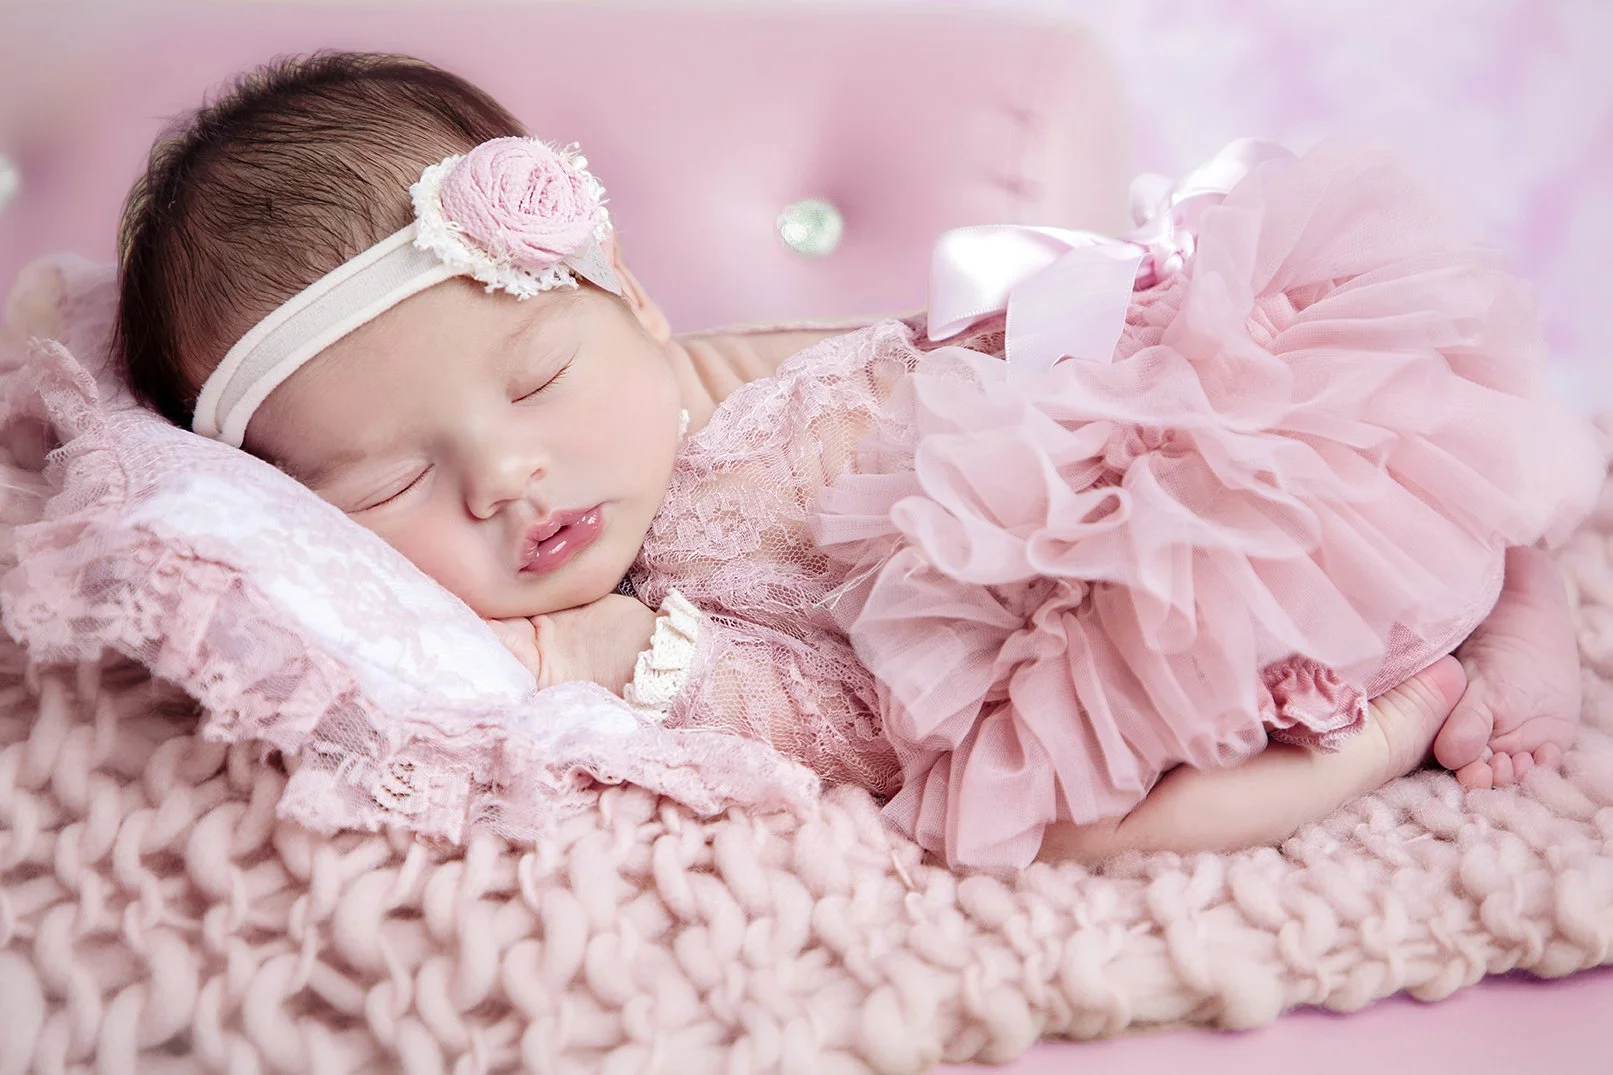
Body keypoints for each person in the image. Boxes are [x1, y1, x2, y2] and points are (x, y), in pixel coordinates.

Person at [112, 52, 1603, 872]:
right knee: (1066, 794)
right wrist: (628, 661)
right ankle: (1449, 652)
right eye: (384, 486)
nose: (506, 475)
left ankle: (1445, 663)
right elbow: (837, 711)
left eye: (540, 375)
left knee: (1074, 808)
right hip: (1100, 602)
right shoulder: (646, 563)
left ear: (627, 296)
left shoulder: (697, 453)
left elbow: (907, 352)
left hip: (1170, 510)